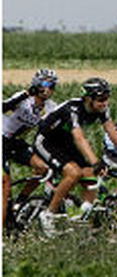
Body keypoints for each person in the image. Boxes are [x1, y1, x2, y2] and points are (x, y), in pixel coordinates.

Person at [33, 77, 117, 231]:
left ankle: (82, 217)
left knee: (90, 176)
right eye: (101, 99)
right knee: (73, 173)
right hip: (46, 141)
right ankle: (48, 214)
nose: (105, 103)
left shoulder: (102, 109)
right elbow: (80, 139)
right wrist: (95, 162)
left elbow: (114, 135)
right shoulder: (73, 109)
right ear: (88, 99)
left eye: (107, 98)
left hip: (65, 142)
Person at [3, 69, 59, 226]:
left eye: (52, 85)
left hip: (16, 142)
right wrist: (27, 93)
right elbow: (3, 107)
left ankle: (19, 202)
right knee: (5, 185)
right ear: (36, 84)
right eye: (45, 84)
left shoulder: (50, 107)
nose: (48, 89)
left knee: (44, 169)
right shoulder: (23, 97)